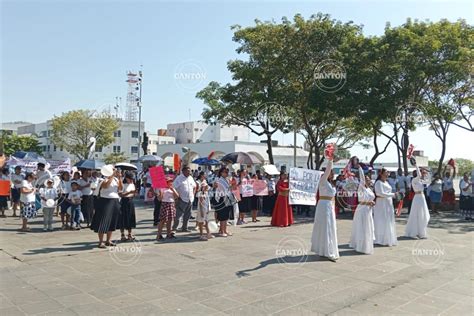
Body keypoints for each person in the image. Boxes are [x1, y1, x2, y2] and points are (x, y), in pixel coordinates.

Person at [311, 157, 339, 262]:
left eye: (332, 173)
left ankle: (326, 249)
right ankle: (326, 251)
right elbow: (327, 171)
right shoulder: (323, 181)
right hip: (324, 205)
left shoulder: (331, 184)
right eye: (331, 172)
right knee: (325, 227)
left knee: (330, 227)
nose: (332, 174)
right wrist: (330, 161)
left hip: (329, 205)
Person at [91, 166, 123, 248]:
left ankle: (108, 240)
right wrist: (112, 176)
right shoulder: (102, 180)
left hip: (115, 201)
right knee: (103, 221)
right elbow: (106, 186)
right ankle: (101, 241)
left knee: (112, 221)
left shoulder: (116, 179)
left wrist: (119, 178)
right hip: (105, 201)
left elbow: (120, 189)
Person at [349, 166, 375, 254]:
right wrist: (360, 168)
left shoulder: (369, 189)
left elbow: (370, 198)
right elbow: (362, 180)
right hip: (362, 209)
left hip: (368, 210)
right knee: (362, 227)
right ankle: (361, 246)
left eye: (368, 179)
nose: (368, 180)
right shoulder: (361, 187)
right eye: (366, 179)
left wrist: (372, 202)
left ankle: (366, 244)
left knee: (367, 227)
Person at [373, 168, 398, 246]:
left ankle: (388, 238)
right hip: (381, 203)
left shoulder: (387, 182)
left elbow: (388, 192)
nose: (388, 173)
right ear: (381, 173)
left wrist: (394, 194)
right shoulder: (378, 183)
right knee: (382, 220)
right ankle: (380, 239)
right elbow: (380, 193)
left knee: (388, 219)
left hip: (388, 203)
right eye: (386, 172)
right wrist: (393, 194)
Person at [405, 163, 430, 239]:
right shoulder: (414, 180)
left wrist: (426, 172)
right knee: (416, 214)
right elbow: (419, 175)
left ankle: (421, 232)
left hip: (422, 197)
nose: (422, 174)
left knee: (423, 214)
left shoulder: (422, 181)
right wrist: (417, 166)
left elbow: (429, 180)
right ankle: (413, 232)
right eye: (420, 172)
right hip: (417, 197)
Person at [172, 166, 197, 232]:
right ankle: (174, 228)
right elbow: (173, 187)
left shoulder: (191, 178)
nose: (189, 172)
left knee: (187, 215)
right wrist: (176, 198)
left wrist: (193, 195)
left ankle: (185, 228)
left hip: (190, 199)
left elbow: (195, 186)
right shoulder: (179, 178)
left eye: (190, 171)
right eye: (188, 171)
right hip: (182, 199)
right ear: (183, 171)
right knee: (178, 215)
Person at [214, 167, 234, 237]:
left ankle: (224, 230)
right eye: (225, 172)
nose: (226, 173)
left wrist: (231, 187)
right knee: (222, 216)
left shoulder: (227, 180)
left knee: (226, 216)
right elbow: (222, 190)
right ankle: (222, 231)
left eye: (227, 172)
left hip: (227, 198)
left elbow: (229, 188)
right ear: (221, 172)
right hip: (222, 198)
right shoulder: (219, 180)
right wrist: (229, 188)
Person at [119, 173, 137, 241]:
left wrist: (134, 193)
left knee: (131, 217)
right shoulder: (123, 185)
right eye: (130, 179)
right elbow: (121, 194)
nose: (131, 180)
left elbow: (134, 193)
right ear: (126, 178)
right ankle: (122, 234)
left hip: (130, 201)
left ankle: (129, 234)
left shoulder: (132, 184)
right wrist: (129, 192)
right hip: (124, 201)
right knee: (123, 218)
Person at [196, 172, 214, 241]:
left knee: (206, 221)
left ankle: (208, 233)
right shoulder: (201, 193)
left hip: (206, 206)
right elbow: (200, 203)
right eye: (206, 187)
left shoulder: (205, 192)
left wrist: (208, 209)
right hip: (202, 208)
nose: (207, 187)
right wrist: (202, 211)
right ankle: (201, 235)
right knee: (201, 221)